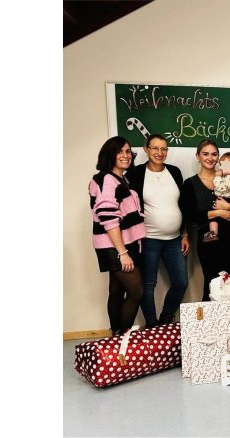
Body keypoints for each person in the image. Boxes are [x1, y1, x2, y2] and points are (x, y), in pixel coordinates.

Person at [125, 134, 189, 328]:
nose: (159, 153)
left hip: (174, 239)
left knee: (180, 282)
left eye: (164, 149)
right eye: (155, 148)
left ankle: (165, 318)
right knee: (148, 286)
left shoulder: (175, 172)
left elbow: (183, 205)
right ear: (146, 149)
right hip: (148, 238)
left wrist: (185, 234)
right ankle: (152, 324)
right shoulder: (135, 174)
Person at [88, 136, 146, 336]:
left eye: (128, 151)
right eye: (120, 151)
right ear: (109, 154)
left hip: (124, 244)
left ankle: (117, 336)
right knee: (137, 291)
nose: (125, 155)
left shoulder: (122, 179)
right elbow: (108, 217)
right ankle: (123, 337)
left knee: (117, 291)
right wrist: (122, 252)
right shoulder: (105, 179)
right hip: (115, 246)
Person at [180, 139, 230, 301]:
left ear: (219, 158)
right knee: (212, 283)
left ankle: (229, 324)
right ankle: (209, 325)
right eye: (205, 154)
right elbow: (189, 214)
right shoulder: (190, 184)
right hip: (209, 240)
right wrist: (217, 213)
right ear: (198, 156)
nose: (210, 158)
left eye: (214, 154)